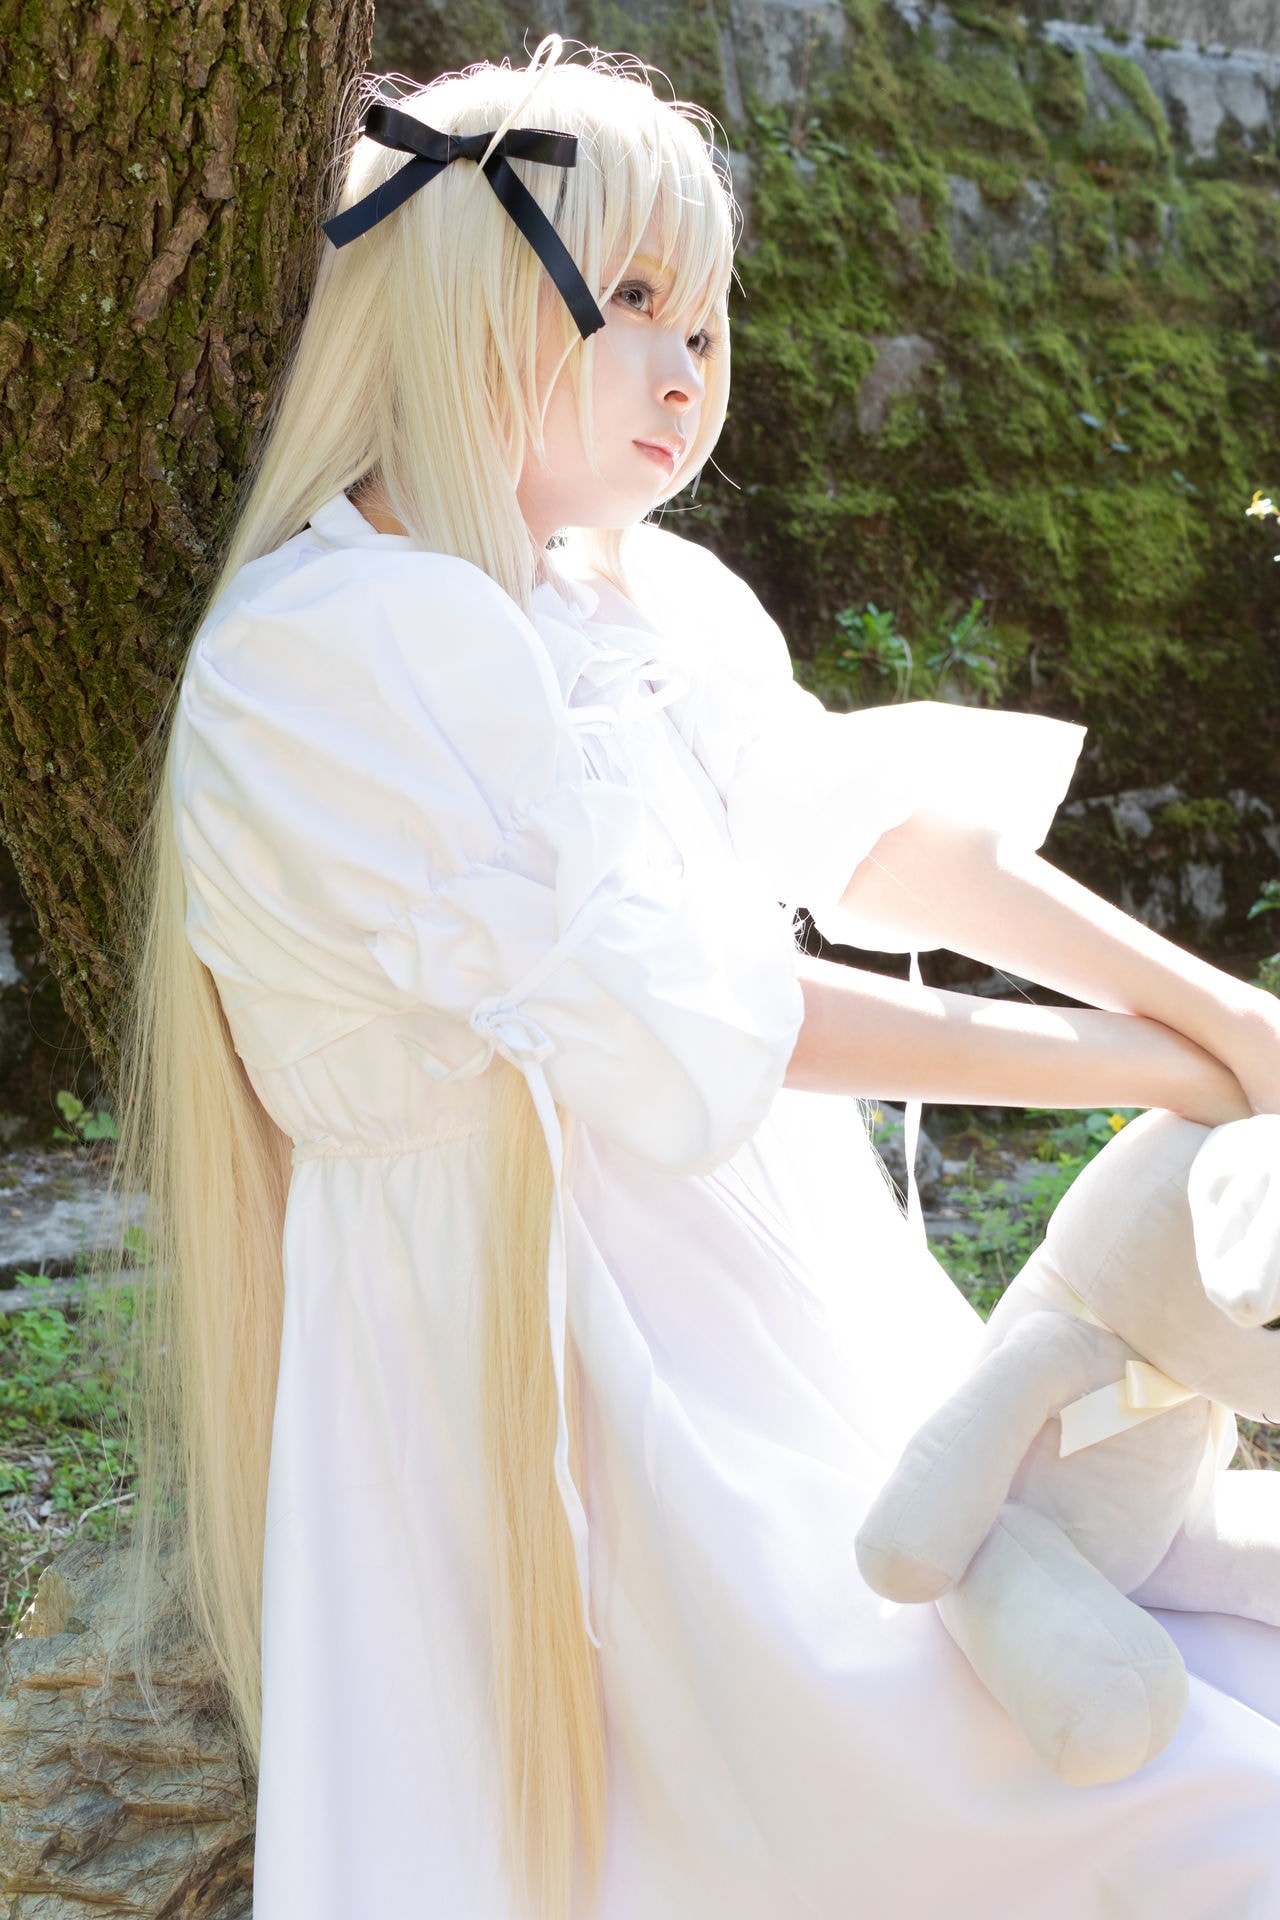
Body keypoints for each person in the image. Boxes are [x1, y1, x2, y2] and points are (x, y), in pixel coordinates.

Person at [107, 34, 1280, 1920]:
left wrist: (1224, 1019)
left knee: (1064, 1671)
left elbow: (876, 847)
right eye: (635, 302)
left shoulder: (649, 597)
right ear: (465, 295)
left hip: (770, 1267)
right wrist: (1148, 1066)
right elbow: (715, 1016)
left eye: (710, 321)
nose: (688, 371)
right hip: (540, 1331)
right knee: (941, 1772)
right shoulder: (338, 649)